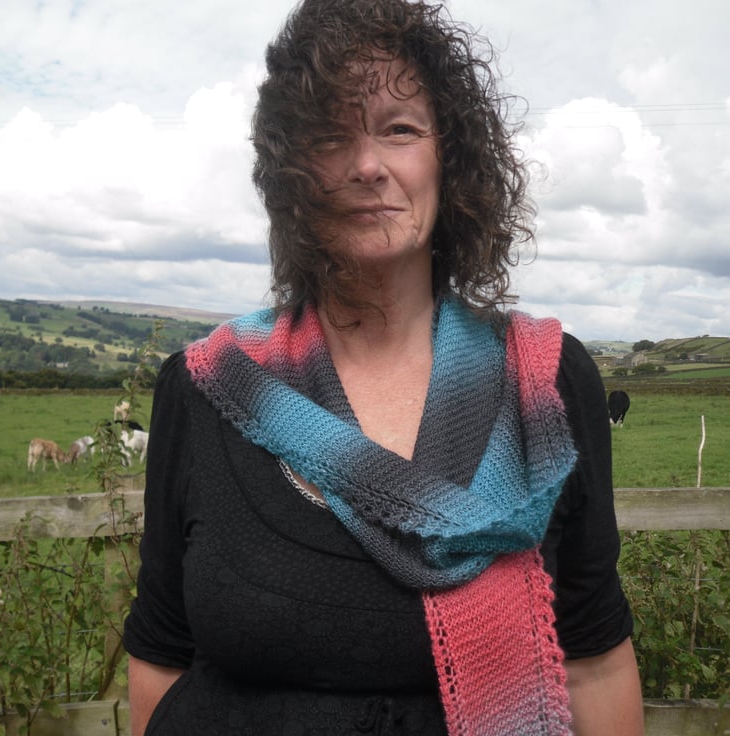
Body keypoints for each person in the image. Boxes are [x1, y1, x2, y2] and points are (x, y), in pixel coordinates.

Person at [123, 0, 645, 734]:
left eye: (400, 129)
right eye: (330, 135)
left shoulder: (547, 382)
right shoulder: (204, 385)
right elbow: (162, 651)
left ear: (451, 160)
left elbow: (594, 660)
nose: (368, 165)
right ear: (294, 175)